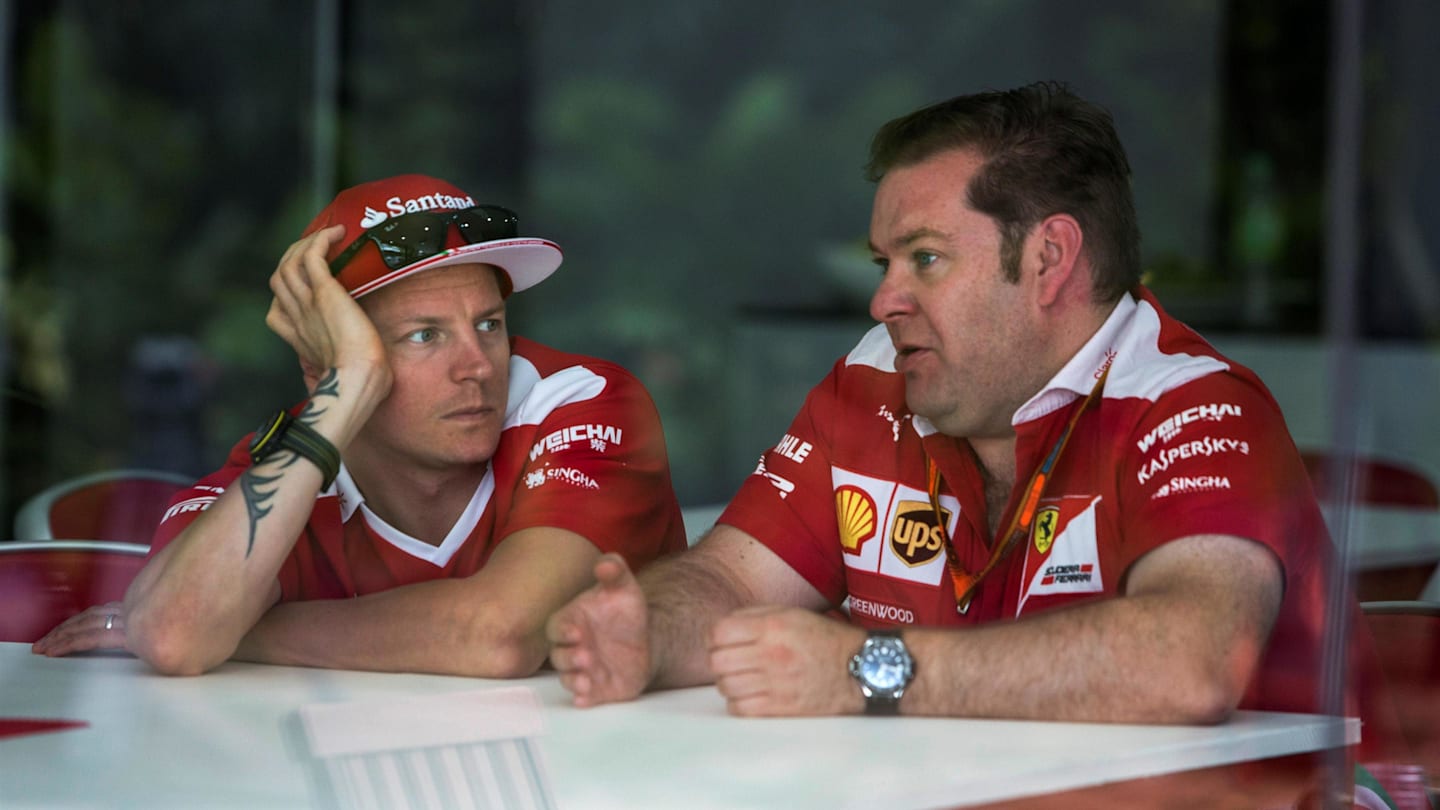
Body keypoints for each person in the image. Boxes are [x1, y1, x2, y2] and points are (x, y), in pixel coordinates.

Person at [546, 83, 1399, 752]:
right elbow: (729, 584)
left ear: (1048, 259)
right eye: (883, 263)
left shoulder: (1193, 403)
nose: (884, 299)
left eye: (925, 258)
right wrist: (645, 636)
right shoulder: (874, 381)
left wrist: (865, 672)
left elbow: (1191, 662)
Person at [33, 173, 687, 677]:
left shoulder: (582, 401)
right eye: (425, 335)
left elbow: (500, 634)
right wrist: (342, 388)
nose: (478, 366)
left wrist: (245, 635)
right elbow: (176, 634)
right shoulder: (292, 464)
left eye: (488, 324)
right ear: (335, 366)